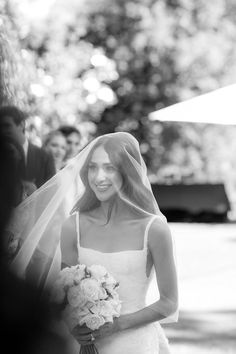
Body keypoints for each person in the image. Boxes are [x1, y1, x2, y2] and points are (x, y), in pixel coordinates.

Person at [11, 132, 178, 354]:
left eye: (109, 168)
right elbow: (63, 294)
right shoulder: (73, 226)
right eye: (92, 167)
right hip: (81, 343)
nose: (98, 177)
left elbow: (169, 303)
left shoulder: (154, 229)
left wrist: (117, 325)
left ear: (128, 173)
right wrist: (72, 325)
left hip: (134, 343)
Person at [0, 105, 56, 188]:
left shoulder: (45, 156)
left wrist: (35, 194)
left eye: (7, 126)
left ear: (21, 125)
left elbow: (53, 191)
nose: (3, 131)